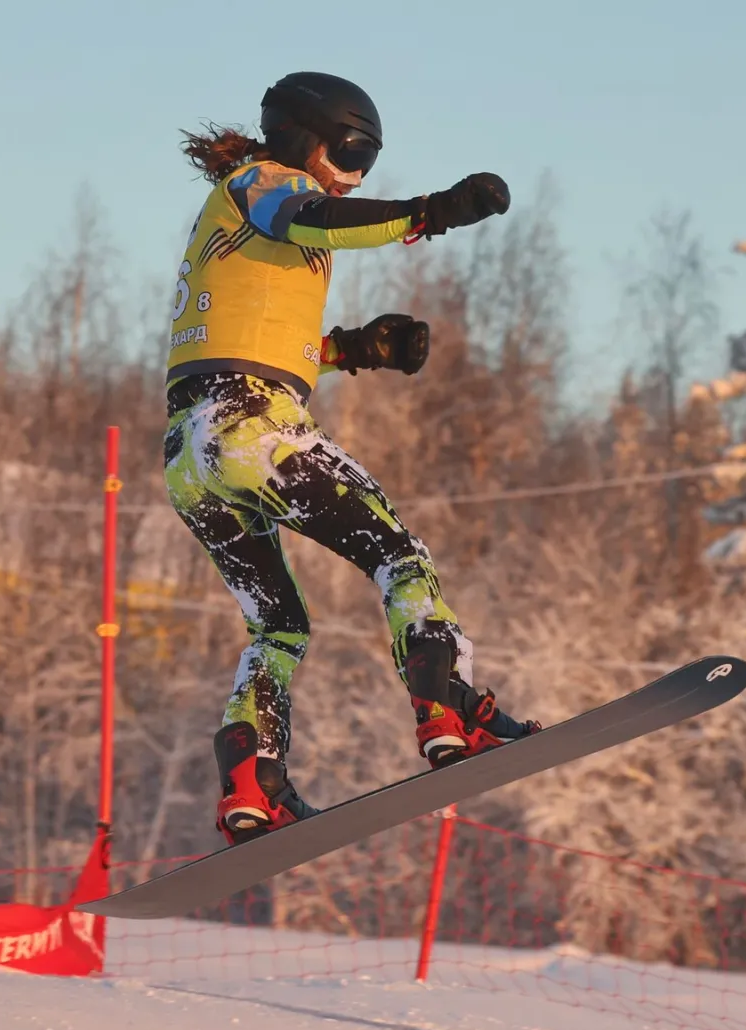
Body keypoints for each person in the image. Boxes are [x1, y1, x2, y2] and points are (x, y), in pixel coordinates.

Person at [165, 71, 538, 846]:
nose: (356, 174)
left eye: (369, 159)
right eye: (351, 151)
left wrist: (352, 349)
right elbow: (318, 220)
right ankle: (448, 704)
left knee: (279, 626)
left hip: (191, 451)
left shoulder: (237, 216)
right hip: (251, 427)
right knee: (401, 559)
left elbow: (241, 340)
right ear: (307, 136)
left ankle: (253, 780)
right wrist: (431, 214)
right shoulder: (267, 185)